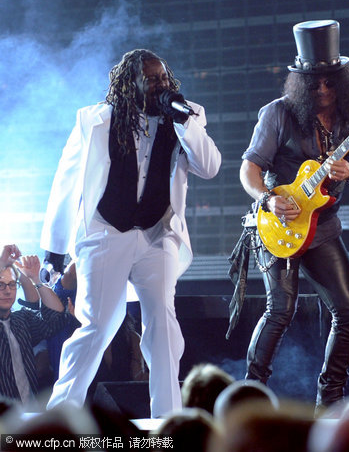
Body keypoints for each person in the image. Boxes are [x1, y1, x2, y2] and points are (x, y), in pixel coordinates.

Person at [40, 48, 222, 417]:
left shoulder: (187, 116)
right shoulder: (95, 121)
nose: (160, 85)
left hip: (159, 233)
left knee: (163, 325)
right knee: (98, 326)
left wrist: (184, 122)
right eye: (151, 79)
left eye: (164, 78)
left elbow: (210, 167)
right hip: (107, 232)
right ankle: (59, 416)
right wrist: (54, 251)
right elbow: (66, 181)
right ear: (130, 84)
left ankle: (169, 419)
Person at [239, 20, 349, 408]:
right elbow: (249, 168)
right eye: (313, 82)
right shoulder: (278, 113)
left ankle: (329, 399)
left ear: (344, 80)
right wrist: (268, 198)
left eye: (330, 81)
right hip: (277, 222)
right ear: (300, 82)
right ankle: (250, 394)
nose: (322, 89)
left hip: (322, 227)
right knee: (279, 310)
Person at [0, 248, 69, 406]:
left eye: (11, 284)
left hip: (31, 414)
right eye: (1, 285)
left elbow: (56, 318)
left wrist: (36, 279)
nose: (8, 290)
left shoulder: (21, 319)